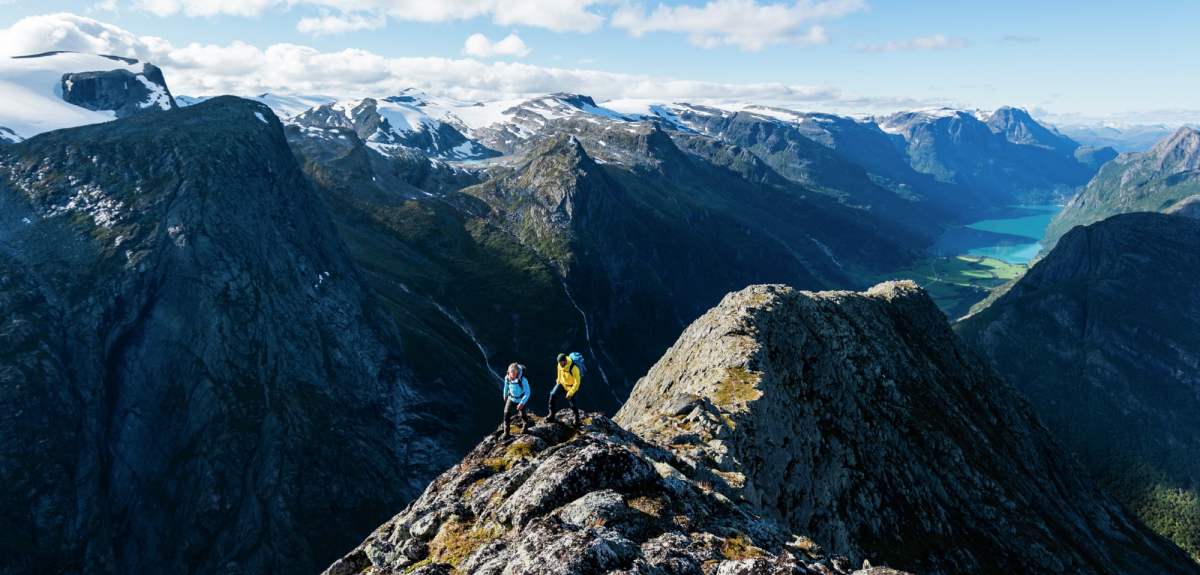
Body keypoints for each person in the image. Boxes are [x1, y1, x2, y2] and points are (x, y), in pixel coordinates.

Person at [548, 353, 582, 426]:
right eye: (559, 362)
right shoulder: (559, 365)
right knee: (552, 395)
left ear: (565, 360)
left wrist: (570, 392)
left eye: (561, 362)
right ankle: (552, 415)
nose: (560, 364)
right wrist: (558, 382)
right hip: (562, 384)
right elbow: (559, 373)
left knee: (573, 405)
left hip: (571, 387)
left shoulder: (573, 368)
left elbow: (577, 382)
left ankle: (577, 418)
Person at [500, 362, 530, 439]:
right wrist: (505, 395)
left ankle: (525, 427)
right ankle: (506, 433)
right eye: (510, 374)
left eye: (513, 374)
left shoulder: (523, 380)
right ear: (508, 372)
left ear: (517, 373)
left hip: (520, 400)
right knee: (506, 414)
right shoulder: (507, 378)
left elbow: (527, 392)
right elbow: (506, 387)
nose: (511, 376)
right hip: (511, 398)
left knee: (523, 415)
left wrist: (522, 403)